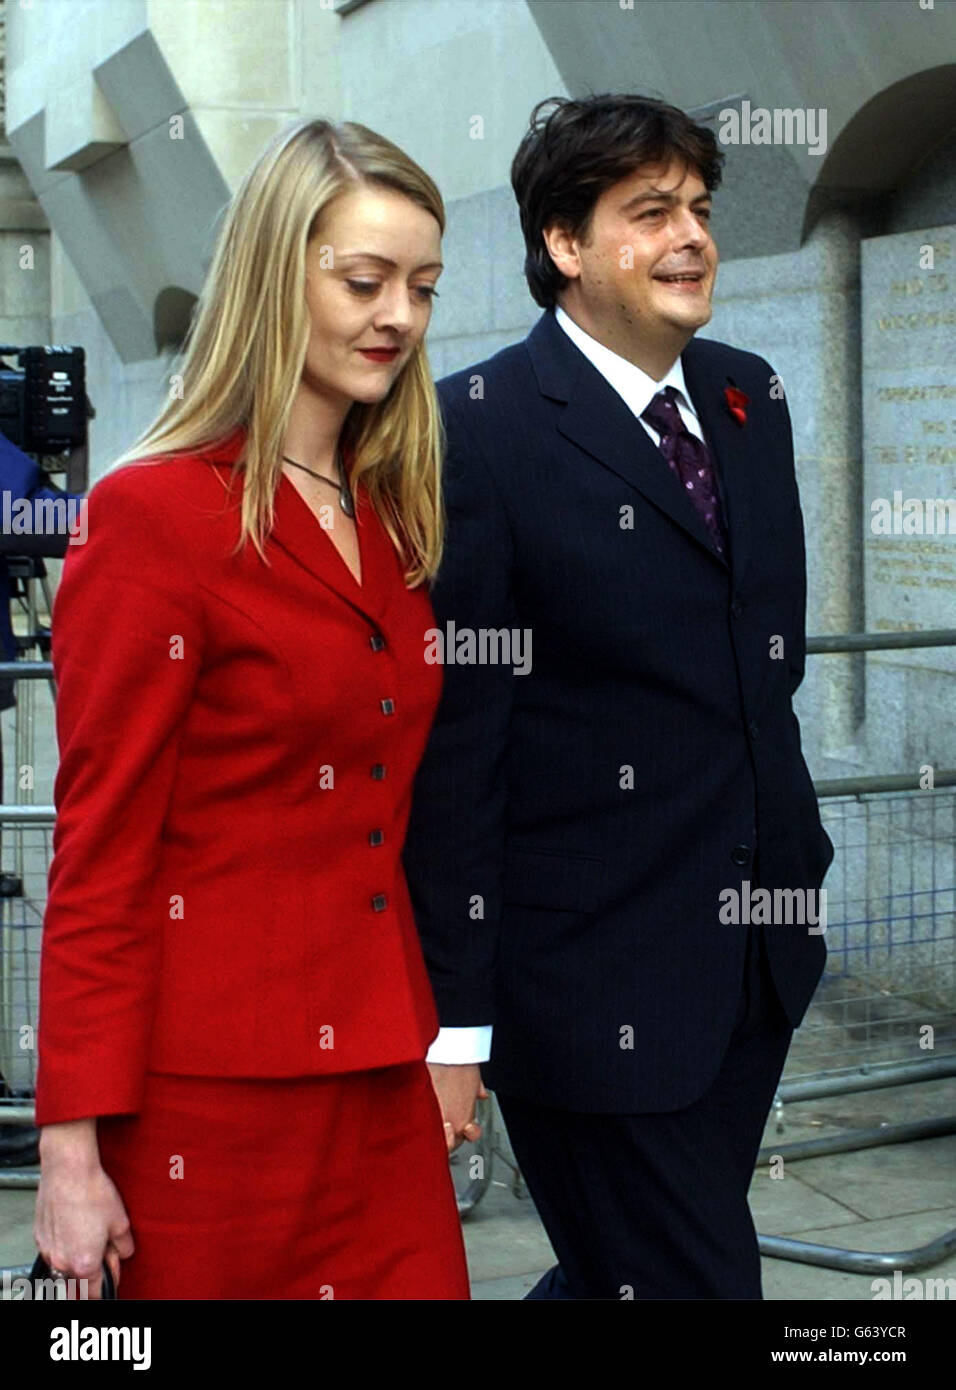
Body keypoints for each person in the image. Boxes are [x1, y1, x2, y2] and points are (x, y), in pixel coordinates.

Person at [402, 94, 834, 1299]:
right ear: (564, 244)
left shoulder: (749, 398)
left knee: (621, 1272)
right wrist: (456, 1022)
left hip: (755, 962)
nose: (690, 235)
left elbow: (766, 669)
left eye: (697, 208)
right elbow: (459, 747)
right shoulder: (475, 431)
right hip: (586, 990)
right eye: (648, 213)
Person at [32, 116, 470, 1300]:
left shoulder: (389, 511)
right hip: (205, 1106)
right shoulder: (152, 517)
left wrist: (442, 1037)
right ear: (278, 276)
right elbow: (103, 853)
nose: (399, 317)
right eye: (365, 281)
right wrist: (66, 1153)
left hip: (380, 1075)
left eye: (422, 288)